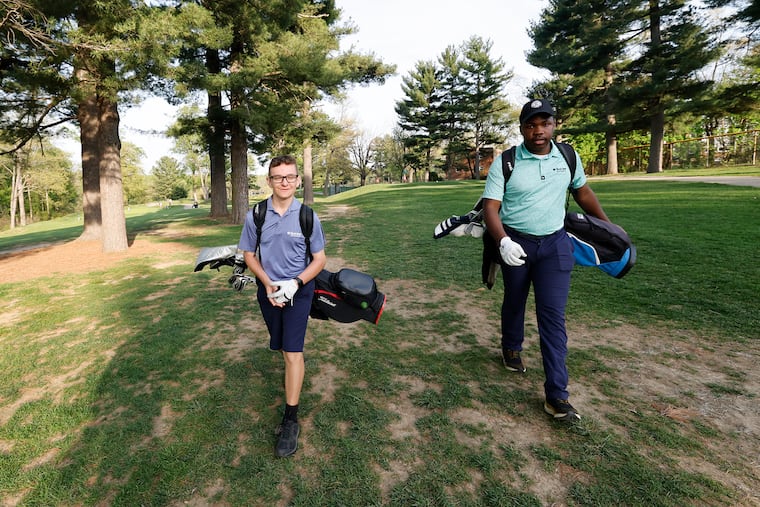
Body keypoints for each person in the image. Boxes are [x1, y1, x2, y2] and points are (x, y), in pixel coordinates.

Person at [481, 98, 610, 423]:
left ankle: (557, 396)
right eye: (531, 125)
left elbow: (582, 192)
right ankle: (511, 346)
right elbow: (491, 207)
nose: (538, 131)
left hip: (555, 246)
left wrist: (609, 228)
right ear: (522, 128)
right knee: (514, 300)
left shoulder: (567, 156)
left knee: (552, 317)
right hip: (517, 244)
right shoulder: (506, 162)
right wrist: (504, 241)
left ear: (554, 125)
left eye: (545, 124)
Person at [238, 155, 327, 456]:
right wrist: (267, 283)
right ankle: (293, 370)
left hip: (299, 292)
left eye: (290, 177)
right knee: (280, 347)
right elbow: (249, 254)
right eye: (278, 177)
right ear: (270, 181)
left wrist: (295, 284)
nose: (285, 182)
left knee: (292, 352)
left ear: (298, 181)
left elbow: (320, 260)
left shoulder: (308, 217)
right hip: (268, 292)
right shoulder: (257, 215)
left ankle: (291, 419)